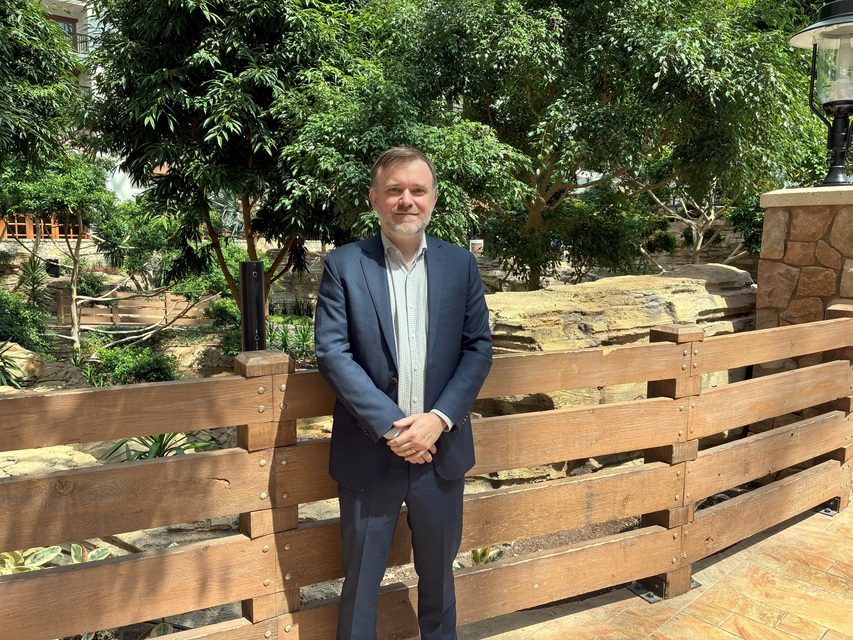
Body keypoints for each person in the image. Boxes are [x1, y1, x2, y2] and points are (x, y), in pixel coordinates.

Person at [314, 146, 493, 640]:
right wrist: (395, 429)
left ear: (433, 198)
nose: (406, 200)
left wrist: (438, 418)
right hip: (371, 451)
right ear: (374, 198)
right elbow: (332, 353)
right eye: (394, 190)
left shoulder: (460, 264)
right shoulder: (345, 265)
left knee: (439, 578)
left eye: (417, 190)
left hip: (441, 451)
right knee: (361, 583)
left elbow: (478, 348)